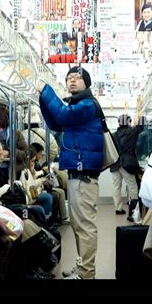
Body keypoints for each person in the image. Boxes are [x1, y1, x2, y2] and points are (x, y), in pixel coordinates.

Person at [37, 66, 103, 279]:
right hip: (78, 174)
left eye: (77, 77)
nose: (72, 80)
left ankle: (86, 274)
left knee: (84, 226)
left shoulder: (87, 106)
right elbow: (56, 122)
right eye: (69, 78)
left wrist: (46, 89)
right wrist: (42, 97)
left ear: (87, 83)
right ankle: (83, 266)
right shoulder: (76, 107)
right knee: (78, 225)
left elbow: (64, 115)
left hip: (84, 175)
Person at [110, 114, 143, 220]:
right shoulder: (132, 132)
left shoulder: (114, 135)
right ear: (129, 122)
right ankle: (133, 210)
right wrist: (140, 117)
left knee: (116, 186)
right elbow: (141, 126)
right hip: (127, 163)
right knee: (132, 186)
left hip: (115, 163)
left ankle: (118, 208)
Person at [0, 106, 28, 178]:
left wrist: (10, 152)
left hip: (14, 171)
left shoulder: (16, 133)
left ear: (0, 117)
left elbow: (25, 154)